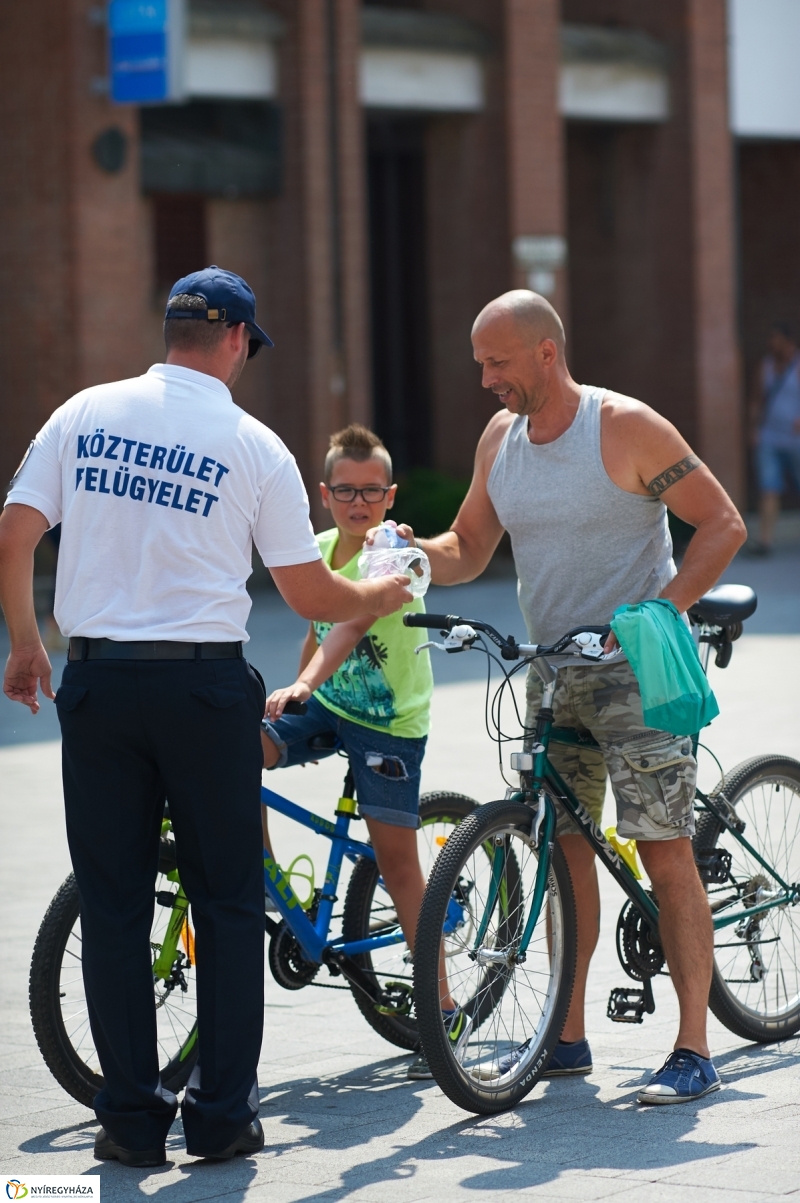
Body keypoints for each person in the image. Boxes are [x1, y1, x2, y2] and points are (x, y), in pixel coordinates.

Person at [0, 268, 411, 1167]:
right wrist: (378, 594)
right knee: (225, 901)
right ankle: (221, 1119)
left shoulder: (82, 412)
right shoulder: (253, 443)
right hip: (203, 688)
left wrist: (27, 643)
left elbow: (15, 530)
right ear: (235, 340)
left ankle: (129, 1122)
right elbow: (309, 592)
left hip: (97, 684)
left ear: (172, 331)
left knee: (113, 904)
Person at [375, 290, 747, 1104]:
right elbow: (471, 544)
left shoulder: (624, 427)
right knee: (561, 847)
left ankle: (694, 1046)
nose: (486, 379)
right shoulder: (500, 439)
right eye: (480, 363)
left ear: (547, 352)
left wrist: (659, 611)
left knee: (663, 844)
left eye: (497, 362)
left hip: (637, 668)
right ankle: (566, 1034)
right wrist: (417, 553)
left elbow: (722, 523)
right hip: (552, 669)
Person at [260, 425, 458, 1076]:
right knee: (235, 748)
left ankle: (442, 1012)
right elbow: (316, 628)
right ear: (324, 494)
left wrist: (305, 682)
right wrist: (298, 688)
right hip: (329, 704)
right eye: (345, 490)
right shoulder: (318, 551)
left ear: (390, 494)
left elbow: (349, 625)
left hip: (389, 724)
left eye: (371, 490)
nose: (358, 502)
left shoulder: (393, 553)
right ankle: (264, 880)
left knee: (398, 863)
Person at [748, 322, 800, 555]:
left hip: (796, 439)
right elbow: (756, 400)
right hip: (769, 436)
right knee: (768, 486)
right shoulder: (766, 366)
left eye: (776, 339)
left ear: (788, 342)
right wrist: (753, 428)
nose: (772, 344)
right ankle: (765, 541)